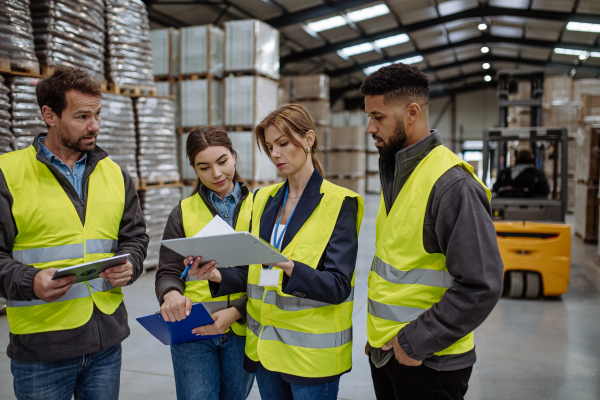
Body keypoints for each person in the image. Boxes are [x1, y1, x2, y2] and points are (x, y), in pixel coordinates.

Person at [188, 104, 364, 400]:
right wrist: (215, 273)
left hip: (310, 359)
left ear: (309, 139)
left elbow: (338, 286)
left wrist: (287, 266)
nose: (275, 154)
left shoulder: (340, 202)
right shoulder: (264, 198)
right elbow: (251, 271)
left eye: (283, 143)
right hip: (265, 351)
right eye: (270, 147)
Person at [0, 66, 148, 399]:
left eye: (97, 114)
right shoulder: (8, 174)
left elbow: (135, 237)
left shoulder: (114, 174)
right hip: (43, 349)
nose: (94, 125)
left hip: (105, 344)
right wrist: (31, 282)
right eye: (82, 116)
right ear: (49, 114)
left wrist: (131, 265)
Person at [360, 63, 504, 400]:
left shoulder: (452, 185)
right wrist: (382, 338)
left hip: (430, 361)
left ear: (412, 112)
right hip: (389, 352)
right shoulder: (398, 173)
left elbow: (482, 284)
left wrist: (414, 341)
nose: (369, 127)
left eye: (378, 117)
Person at [154, 126, 255, 400]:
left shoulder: (261, 207)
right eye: (204, 167)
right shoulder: (182, 213)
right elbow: (168, 272)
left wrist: (236, 311)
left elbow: (268, 275)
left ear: (234, 156)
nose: (217, 174)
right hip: (193, 327)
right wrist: (171, 294)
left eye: (222, 161)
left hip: (242, 327)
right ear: (194, 169)